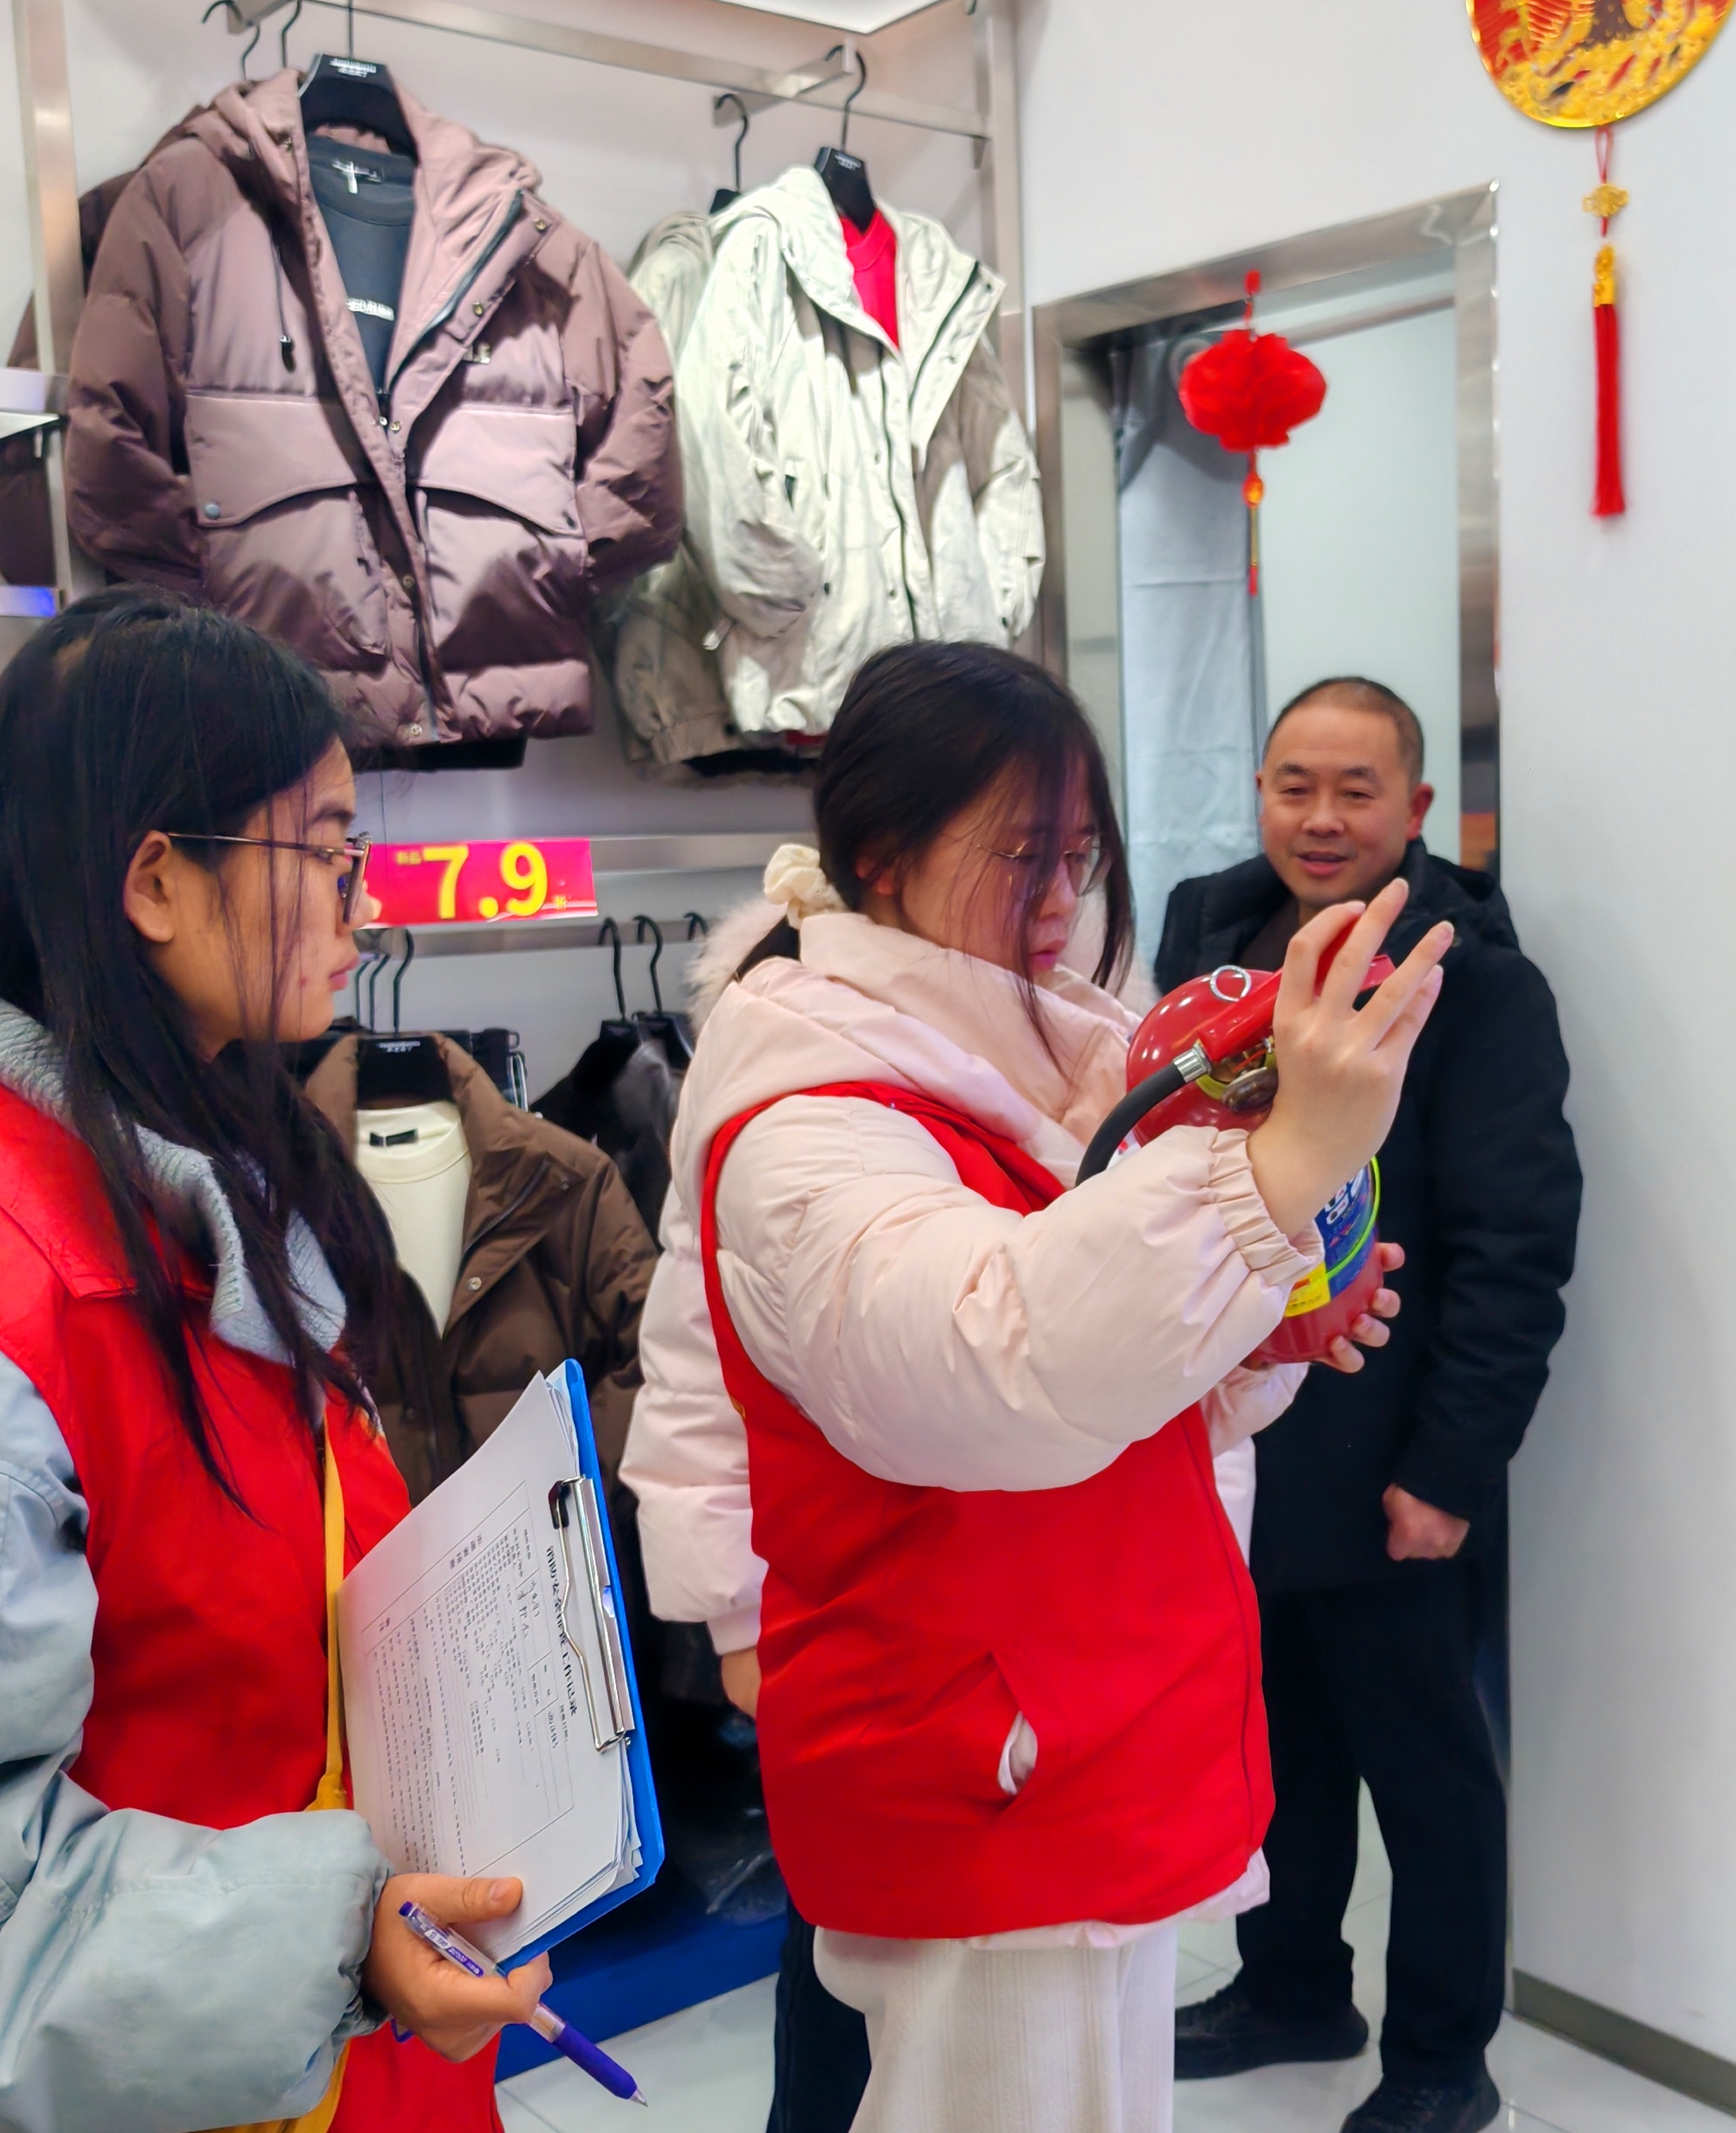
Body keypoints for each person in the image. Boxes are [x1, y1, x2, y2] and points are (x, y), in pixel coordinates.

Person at [0, 589, 551, 2133]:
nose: (358, 913)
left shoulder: (192, 1189)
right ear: (155, 881)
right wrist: (330, 1938)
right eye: (325, 855)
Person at [621, 638, 1447, 2133]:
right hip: (985, 1741)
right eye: (1021, 857)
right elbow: (997, 1362)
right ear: (878, 853)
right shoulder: (818, 1111)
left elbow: (1095, 1369)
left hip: (1067, 1706)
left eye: (1077, 856)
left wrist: (1247, 1326)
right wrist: (1274, 1173)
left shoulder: (1030, 1048)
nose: (1061, 899)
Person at [1155, 678, 1580, 2133]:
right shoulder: (1210, 946)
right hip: (1238, 1441)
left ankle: (1443, 2058)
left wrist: (1450, 1471)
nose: (1320, 818)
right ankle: (1291, 1988)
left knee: (1427, 1773)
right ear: (1259, 793)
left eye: (1355, 790)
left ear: (1416, 809)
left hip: (1393, 1453)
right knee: (1273, 1748)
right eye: (1294, 785)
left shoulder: (1480, 987)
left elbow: (1517, 1251)